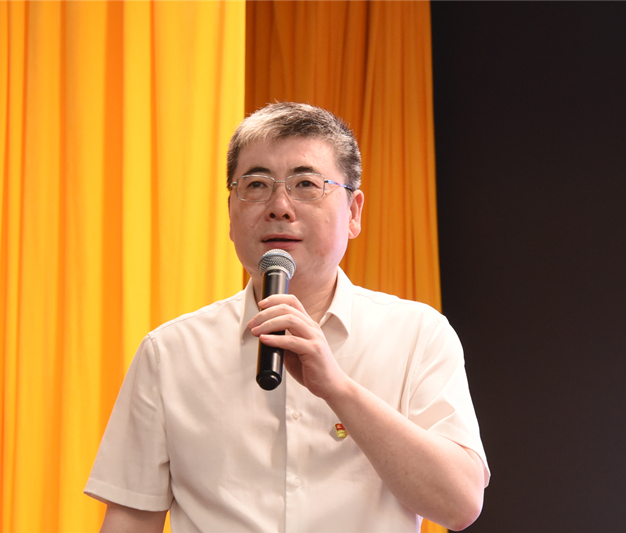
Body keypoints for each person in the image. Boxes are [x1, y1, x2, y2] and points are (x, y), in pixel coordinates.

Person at [85, 102, 490, 532]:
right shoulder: (169, 352)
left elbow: (459, 505)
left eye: (306, 184)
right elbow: (131, 517)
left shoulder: (417, 335)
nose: (279, 206)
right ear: (230, 214)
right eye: (257, 185)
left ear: (353, 213)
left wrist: (337, 388)